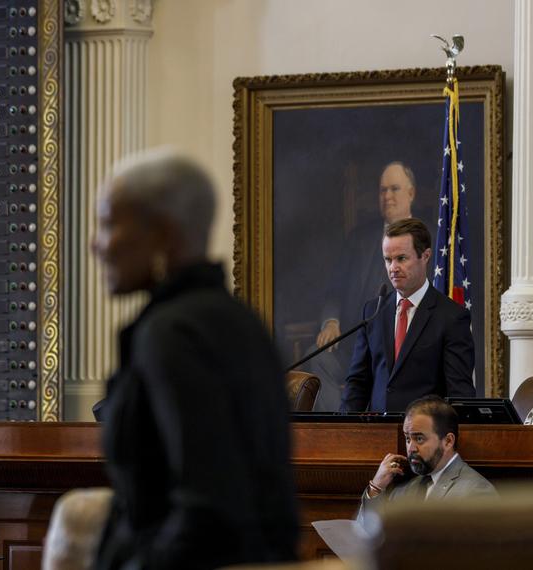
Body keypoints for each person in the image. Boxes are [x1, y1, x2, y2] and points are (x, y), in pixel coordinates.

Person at [91, 149, 298, 569]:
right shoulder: (241, 322)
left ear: (164, 233)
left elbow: (207, 513)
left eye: (110, 223)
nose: (96, 244)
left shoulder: (172, 334)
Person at [311, 162, 418, 411]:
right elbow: (335, 290)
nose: (387, 196)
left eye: (394, 189)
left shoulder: (426, 239)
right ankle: (343, 427)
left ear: (411, 193)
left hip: (400, 348)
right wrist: (331, 321)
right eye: (382, 190)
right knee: (319, 358)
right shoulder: (358, 237)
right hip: (354, 345)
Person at [341, 218, 475, 412]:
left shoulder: (452, 317)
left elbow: (459, 394)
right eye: (388, 260)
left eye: (401, 258)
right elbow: (357, 382)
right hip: (376, 434)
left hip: (423, 437)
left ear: (425, 256)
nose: (393, 268)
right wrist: (342, 431)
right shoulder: (373, 312)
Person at [358, 396, 496, 525]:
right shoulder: (403, 491)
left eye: (419, 439)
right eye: (407, 438)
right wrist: (376, 487)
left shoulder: (477, 493)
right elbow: (367, 538)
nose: (411, 448)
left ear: (448, 441)